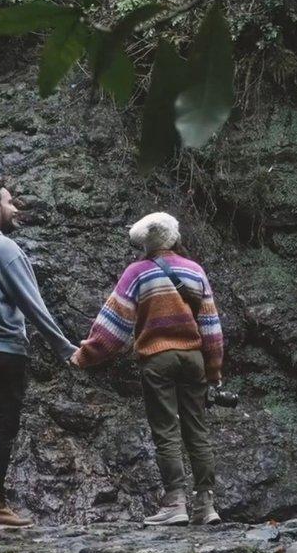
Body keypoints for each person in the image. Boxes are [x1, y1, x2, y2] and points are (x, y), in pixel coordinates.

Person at [70, 212, 224, 526]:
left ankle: (175, 503)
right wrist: (214, 371)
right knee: (198, 431)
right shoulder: (195, 271)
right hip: (193, 358)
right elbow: (211, 326)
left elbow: (113, 324)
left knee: (166, 429)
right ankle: (206, 505)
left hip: (158, 358)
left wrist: (84, 355)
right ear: (174, 237)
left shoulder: (137, 272)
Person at [0, 178, 78, 528]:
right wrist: (66, 349)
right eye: (10, 202)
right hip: (4, 350)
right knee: (0, 426)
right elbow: (33, 306)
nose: (15, 208)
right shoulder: (5, 249)